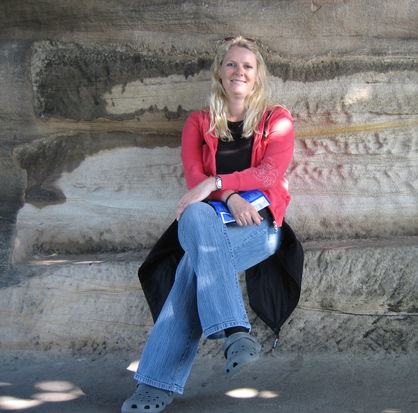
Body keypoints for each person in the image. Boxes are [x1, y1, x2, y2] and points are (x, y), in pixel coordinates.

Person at [121, 36, 302, 413]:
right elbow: (195, 180)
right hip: (206, 221)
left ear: (257, 75)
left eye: (248, 66)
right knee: (196, 213)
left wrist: (217, 182)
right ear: (219, 71)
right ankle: (235, 331)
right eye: (231, 64)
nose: (239, 71)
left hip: (259, 227)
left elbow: (269, 173)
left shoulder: (276, 120)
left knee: (192, 267)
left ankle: (154, 384)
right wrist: (230, 195)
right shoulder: (198, 122)